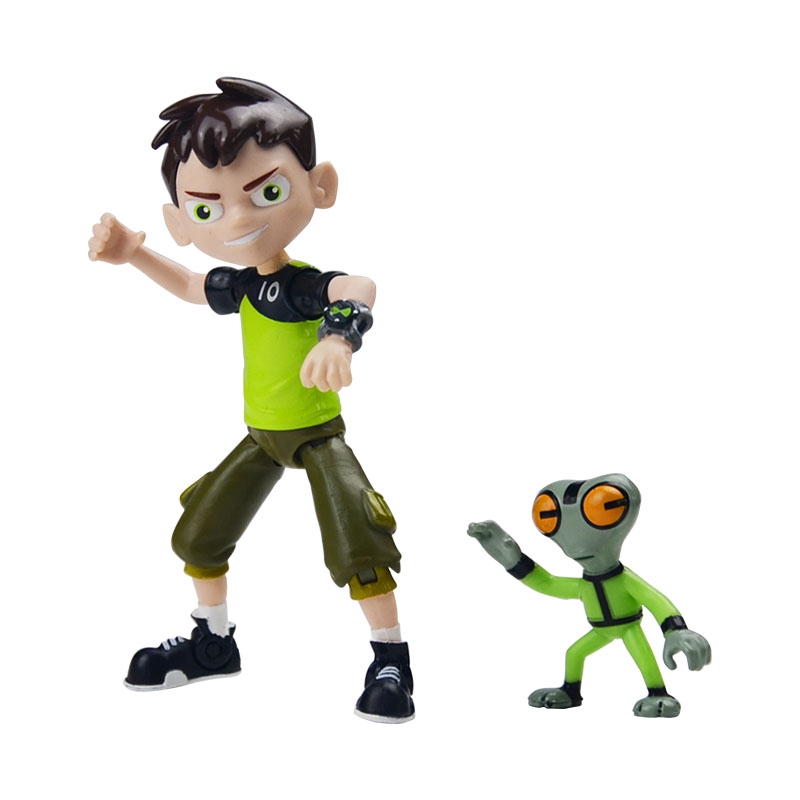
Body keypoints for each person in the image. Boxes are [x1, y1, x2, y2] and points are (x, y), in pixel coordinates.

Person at [88, 77, 414, 723]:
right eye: (208, 208)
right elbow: (191, 285)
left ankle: (392, 661)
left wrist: (340, 336)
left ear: (320, 187)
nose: (238, 219)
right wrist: (135, 254)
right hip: (262, 436)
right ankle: (213, 641)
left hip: (317, 435)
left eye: (266, 193)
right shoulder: (240, 286)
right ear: (181, 222)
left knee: (360, 543)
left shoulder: (302, 287)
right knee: (200, 533)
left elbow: (359, 286)